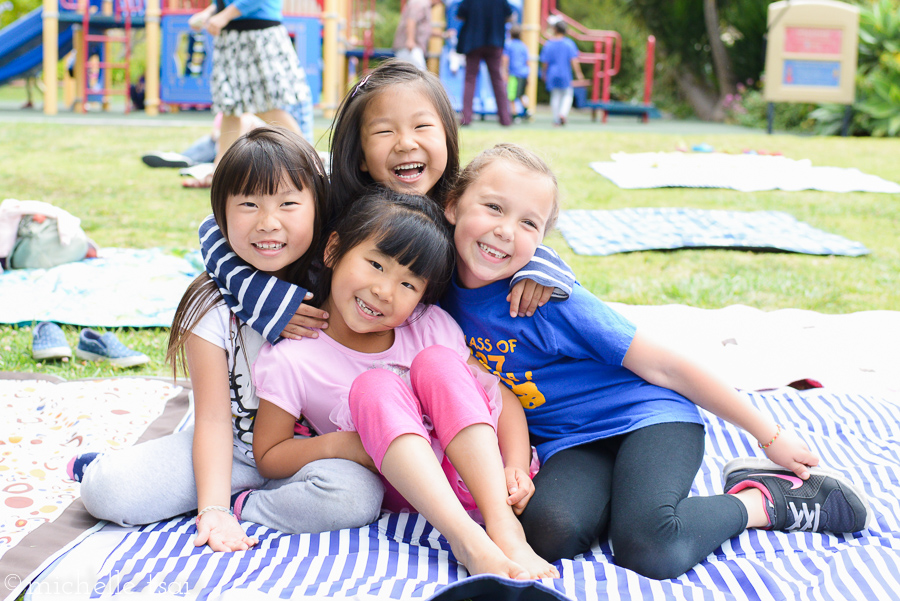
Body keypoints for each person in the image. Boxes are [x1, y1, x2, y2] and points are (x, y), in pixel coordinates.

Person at [439, 143, 872, 580]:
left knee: (650, 547)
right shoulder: (429, 289)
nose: (506, 231)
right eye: (493, 207)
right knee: (548, 534)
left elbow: (667, 365)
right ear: (452, 205)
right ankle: (627, 499)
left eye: (528, 223)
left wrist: (768, 433)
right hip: (572, 442)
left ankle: (766, 498)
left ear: (542, 240)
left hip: (650, 418)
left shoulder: (548, 299)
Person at [68, 127, 384, 551]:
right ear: (221, 216)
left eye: (288, 204)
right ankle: (130, 471)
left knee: (358, 495)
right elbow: (215, 420)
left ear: (318, 210)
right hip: (231, 450)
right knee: (106, 490)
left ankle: (250, 506)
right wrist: (212, 508)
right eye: (248, 205)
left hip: (303, 454)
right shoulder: (214, 304)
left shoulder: (334, 286)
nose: (268, 222)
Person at [251, 188, 558, 580]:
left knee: (436, 364)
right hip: (413, 494)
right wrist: (340, 446)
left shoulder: (429, 326)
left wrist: (515, 462)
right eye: (376, 265)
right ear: (333, 250)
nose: (384, 291)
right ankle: (468, 542)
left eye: (408, 285)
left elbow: (500, 398)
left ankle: (503, 528)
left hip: (489, 482)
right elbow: (269, 454)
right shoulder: (293, 356)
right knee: (374, 385)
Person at [198, 59, 576, 349]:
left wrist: (542, 263)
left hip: (422, 359)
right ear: (360, 154)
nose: (406, 142)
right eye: (384, 131)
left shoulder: (463, 208)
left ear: (447, 137)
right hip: (324, 353)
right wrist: (257, 294)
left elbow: (512, 227)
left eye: (422, 127)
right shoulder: (333, 201)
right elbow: (214, 227)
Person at [184, 0, 313, 187]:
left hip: (258, 35)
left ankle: (310, 163)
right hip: (231, 37)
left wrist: (224, 15)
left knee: (266, 107)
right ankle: (220, 176)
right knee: (230, 110)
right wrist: (211, 12)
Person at [454, 0, 513, 127]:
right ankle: (505, 118)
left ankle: (466, 118)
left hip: (473, 42)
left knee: (470, 78)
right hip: (495, 41)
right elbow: (510, 16)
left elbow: (459, 15)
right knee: (497, 79)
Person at [540, 17, 584, 126]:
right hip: (565, 73)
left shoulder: (549, 44)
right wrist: (578, 73)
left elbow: (545, 62)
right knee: (567, 95)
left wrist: (544, 73)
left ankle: (556, 119)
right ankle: (563, 114)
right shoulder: (569, 43)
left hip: (552, 73)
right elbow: (574, 60)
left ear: (555, 29)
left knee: (555, 96)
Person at [392, 0, 442, 71]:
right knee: (418, 73)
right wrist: (410, 40)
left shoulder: (425, 5)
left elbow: (424, 29)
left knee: (413, 73)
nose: (438, 4)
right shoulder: (421, 3)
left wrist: (443, 35)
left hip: (413, 47)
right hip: (410, 48)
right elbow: (411, 20)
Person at [503, 24, 531, 120]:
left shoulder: (508, 45)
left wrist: (504, 71)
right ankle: (527, 110)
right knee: (521, 94)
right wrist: (528, 75)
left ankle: (514, 115)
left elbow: (505, 59)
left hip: (514, 74)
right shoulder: (523, 46)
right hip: (523, 73)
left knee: (511, 96)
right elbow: (527, 61)